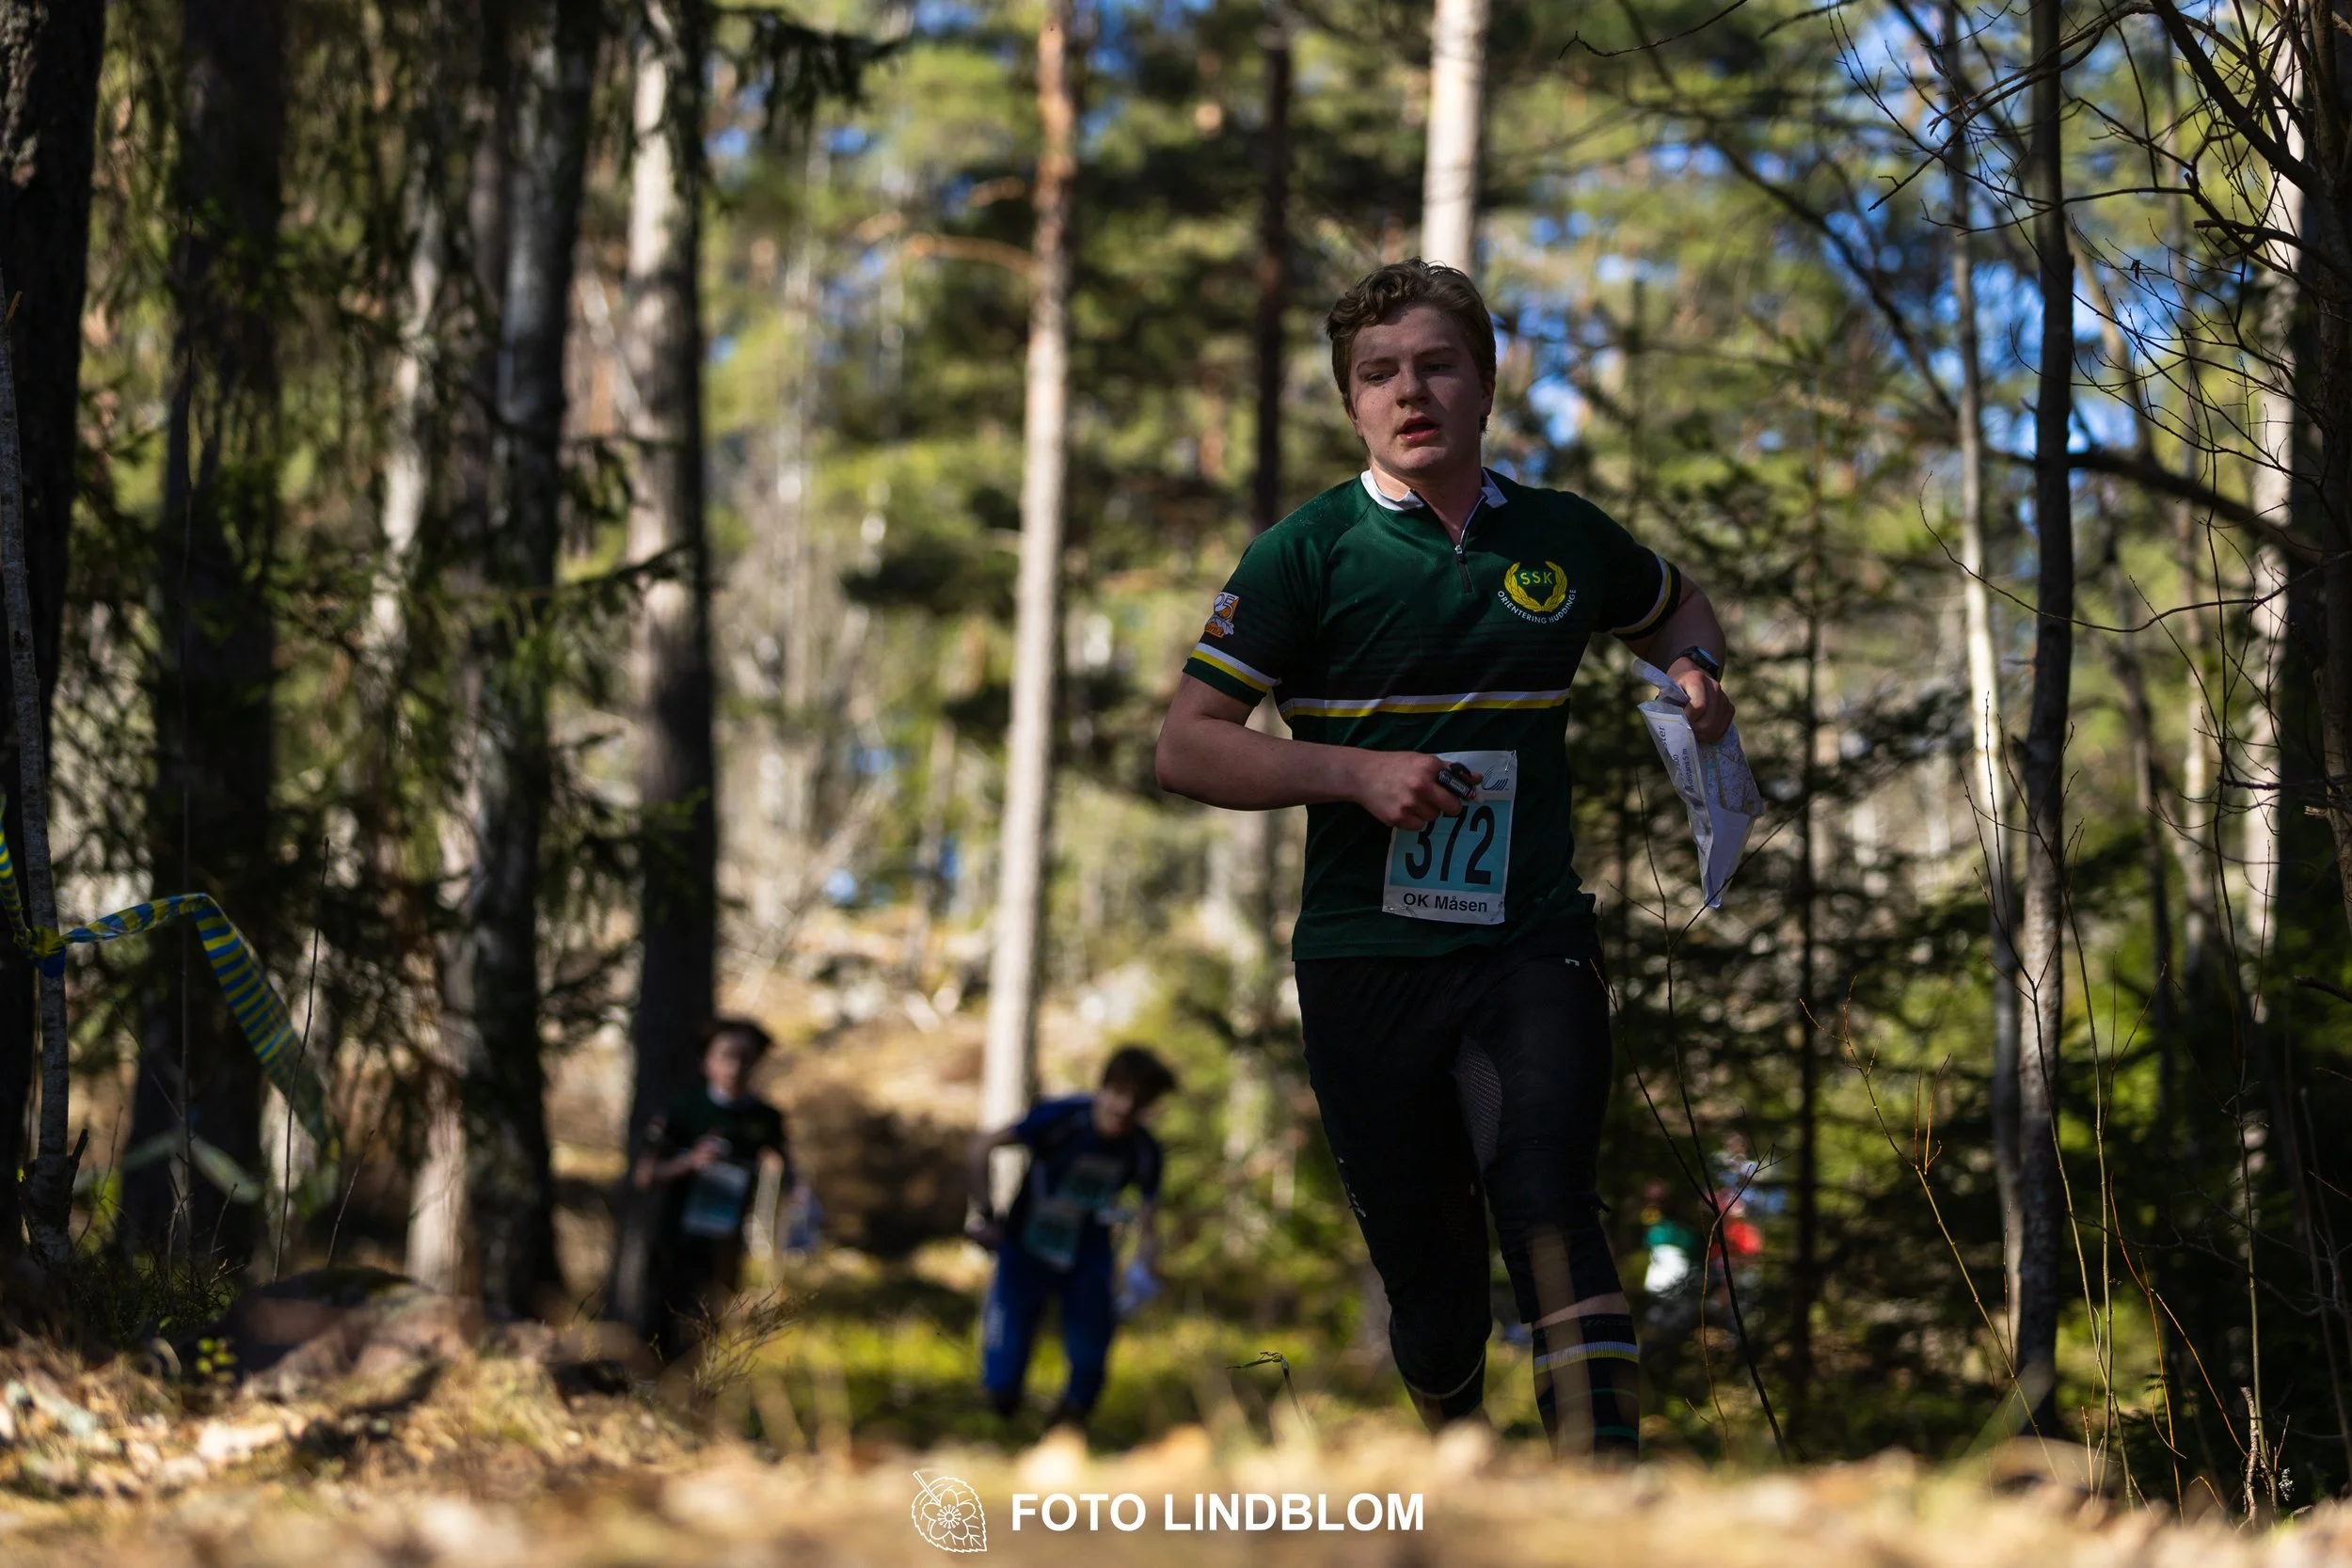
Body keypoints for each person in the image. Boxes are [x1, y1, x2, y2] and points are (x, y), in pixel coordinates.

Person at [1153, 260, 1737, 1461]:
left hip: (1531, 938)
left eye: (1435, 364)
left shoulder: (1563, 538)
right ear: (1351, 402)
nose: (1408, 391)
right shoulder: (1302, 555)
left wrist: (1697, 676)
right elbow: (1186, 747)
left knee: (1548, 1201)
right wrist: (1353, 774)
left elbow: (1677, 607)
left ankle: (1602, 1489)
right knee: (1433, 1286)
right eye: (1379, 374)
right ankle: (1460, 1468)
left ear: (1484, 380)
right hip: (1367, 956)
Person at [966, 1045, 1177, 1429]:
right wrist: (986, 1214)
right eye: (1118, 1094)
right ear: (1104, 1087)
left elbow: (1148, 1220)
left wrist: (1145, 1268)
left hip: (1088, 1254)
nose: (1125, 1108)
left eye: (1138, 1101)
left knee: (1091, 1347)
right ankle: (1002, 1406)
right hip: (1026, 1246)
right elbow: (983, 1147)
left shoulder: (1144, 1150)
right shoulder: (1061, 1119)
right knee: (1005, 1360)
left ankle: (1070, 1422)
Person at [632, 1017, 801, 1361]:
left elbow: (789, 1171)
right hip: (674, 1237)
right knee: (663, 1314)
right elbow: (645, 1175)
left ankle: (699, 1395)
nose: (735, 1067)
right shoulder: (683, 1109)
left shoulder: (765, 1118)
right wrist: (691, 1162)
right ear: (705, 1061)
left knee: (711, 1320)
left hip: (725, 1240)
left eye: (746, 1057)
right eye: (726, 1055)